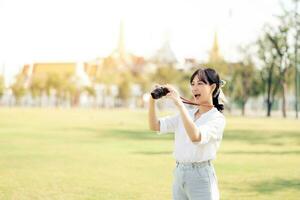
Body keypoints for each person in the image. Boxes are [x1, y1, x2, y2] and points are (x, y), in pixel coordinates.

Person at [148, 67, 226, 200]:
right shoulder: (187, 114)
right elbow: (155, 126)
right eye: (193, 84)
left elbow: (196, 137)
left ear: (212, 87)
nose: (195, 88)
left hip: (201, 177)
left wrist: (179, 104)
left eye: (200, 83)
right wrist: (152, 100)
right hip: (180, 173)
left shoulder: (217, 119)